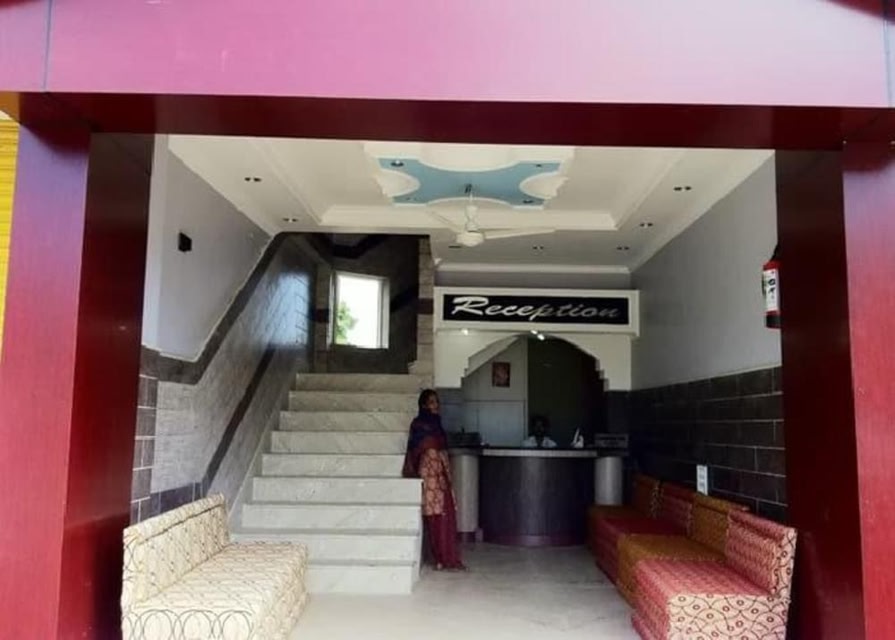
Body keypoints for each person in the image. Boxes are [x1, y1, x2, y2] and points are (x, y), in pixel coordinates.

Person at [402, 389, 466, 571]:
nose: (436, 405)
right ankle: (440, 558)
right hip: (429, 474)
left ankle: (449, 557)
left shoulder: (437, 425)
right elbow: (415, 450)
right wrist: (429, 449)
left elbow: (441, 448)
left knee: (447, 514)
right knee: (435, 515)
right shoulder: (419, 424)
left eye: (437, 402)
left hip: (442, 472)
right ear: (423, 405)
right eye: (431, 402)